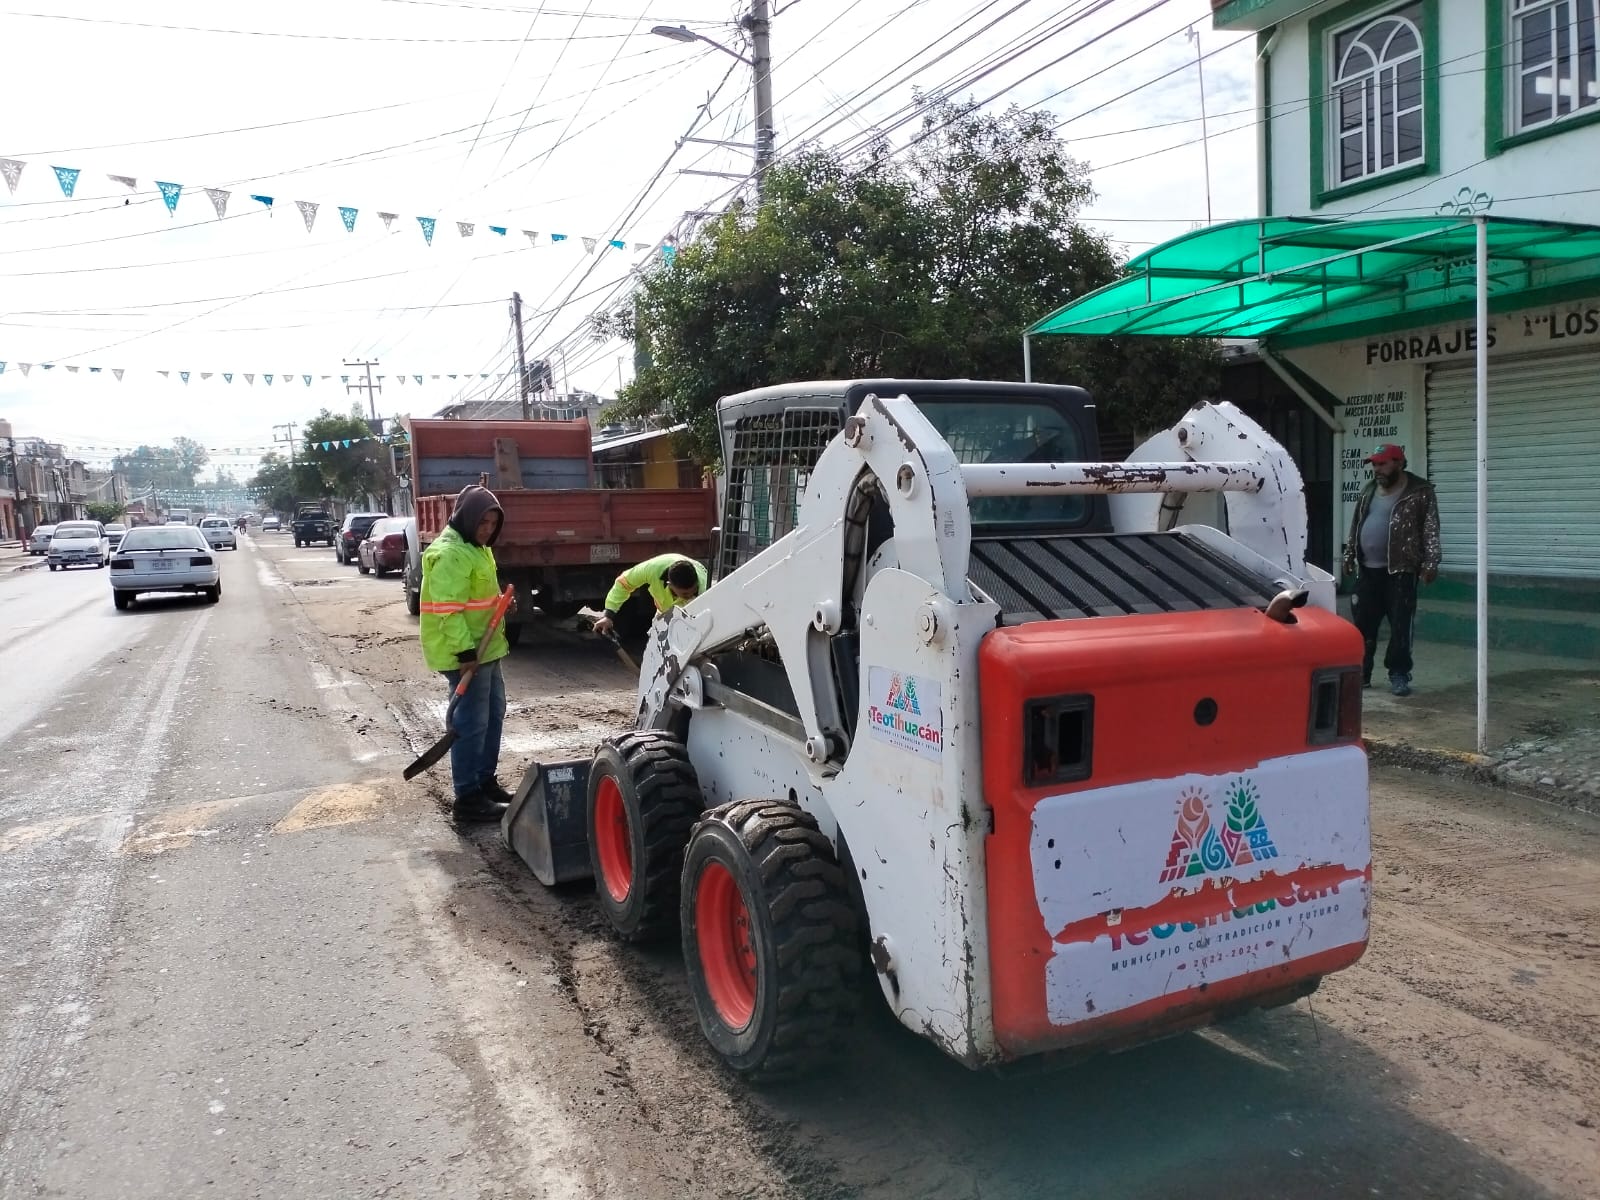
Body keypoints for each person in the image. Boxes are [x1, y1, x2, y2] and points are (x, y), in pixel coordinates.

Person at [419, 484, 514, 823]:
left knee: (493, 715)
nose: (487, 530)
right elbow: (448, 610)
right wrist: (464, 653)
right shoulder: (449, 553)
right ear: (467, 518)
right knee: (471, 723)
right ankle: (468, 797)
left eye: (493, 523)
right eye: (482, 523)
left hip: (487, 648)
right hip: (466, 651)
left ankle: (485, 782)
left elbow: (477, 594)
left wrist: (500, 601)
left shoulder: (477, 546)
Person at [1342, 444, 1441, 697]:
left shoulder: (1420, 491)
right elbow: (1356, 524)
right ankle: (1361, 674)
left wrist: (1431, 562)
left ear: (1399, 463)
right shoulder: (1369, 490)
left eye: (1383, 464)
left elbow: (1430, 528)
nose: (1377, 469)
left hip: (1401, 570)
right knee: (1363, 625)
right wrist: (1349, 554)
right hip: (1367, 570)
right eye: (1374, 465)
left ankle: (1398, 673)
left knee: (1400, 625)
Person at [592, 554, 708, 639]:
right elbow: (623, 584)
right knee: (658, 644)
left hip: (693, 616)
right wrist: (608, 616)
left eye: (693, 591)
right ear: (670, 585)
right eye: (685, 594)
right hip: (664, 611)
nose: (689, 596)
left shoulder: (705, 588)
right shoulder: (652, 570)